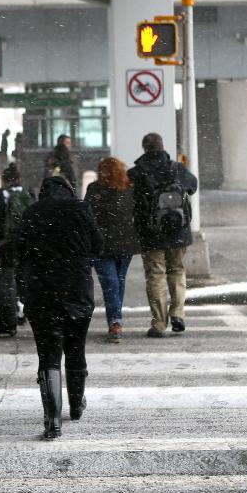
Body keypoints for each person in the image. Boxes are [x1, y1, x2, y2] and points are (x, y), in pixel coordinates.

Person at [17, 176, 102, 439]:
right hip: (76, 288)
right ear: (69, 190)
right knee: (76, 348)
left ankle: (52, 420)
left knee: (48, 354)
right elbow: (98, 245)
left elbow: (18, 251)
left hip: (41, 290)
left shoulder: (32, 212)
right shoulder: (81, 209)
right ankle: (76, 406)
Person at [127, 132, 198, 338]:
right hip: (178, 230)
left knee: (155, 275)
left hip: (151, 232)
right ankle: (177, 313)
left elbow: (128, 199)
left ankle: (159, 323)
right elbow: (192, 187)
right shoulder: (177, 169)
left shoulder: (137, 172)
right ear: (162, 146)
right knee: (176, 270)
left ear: (145, 148)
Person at [84, 157, 140, 343]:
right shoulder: (128, 189)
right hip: (123, 243)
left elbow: (87, 215)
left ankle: (115, 320)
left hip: (103, 244)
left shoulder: (95, 190)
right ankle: (115, 321)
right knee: (115, 283)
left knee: (113, 283)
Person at [0, 163, 34, 323]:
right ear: (19, 179)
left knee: (8, 276)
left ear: (4, 180)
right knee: (24, 276)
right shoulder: (28, 192)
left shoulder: (0, 194)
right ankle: (25, 310)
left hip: (7, 244)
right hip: (27, 242)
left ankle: (11, 309)